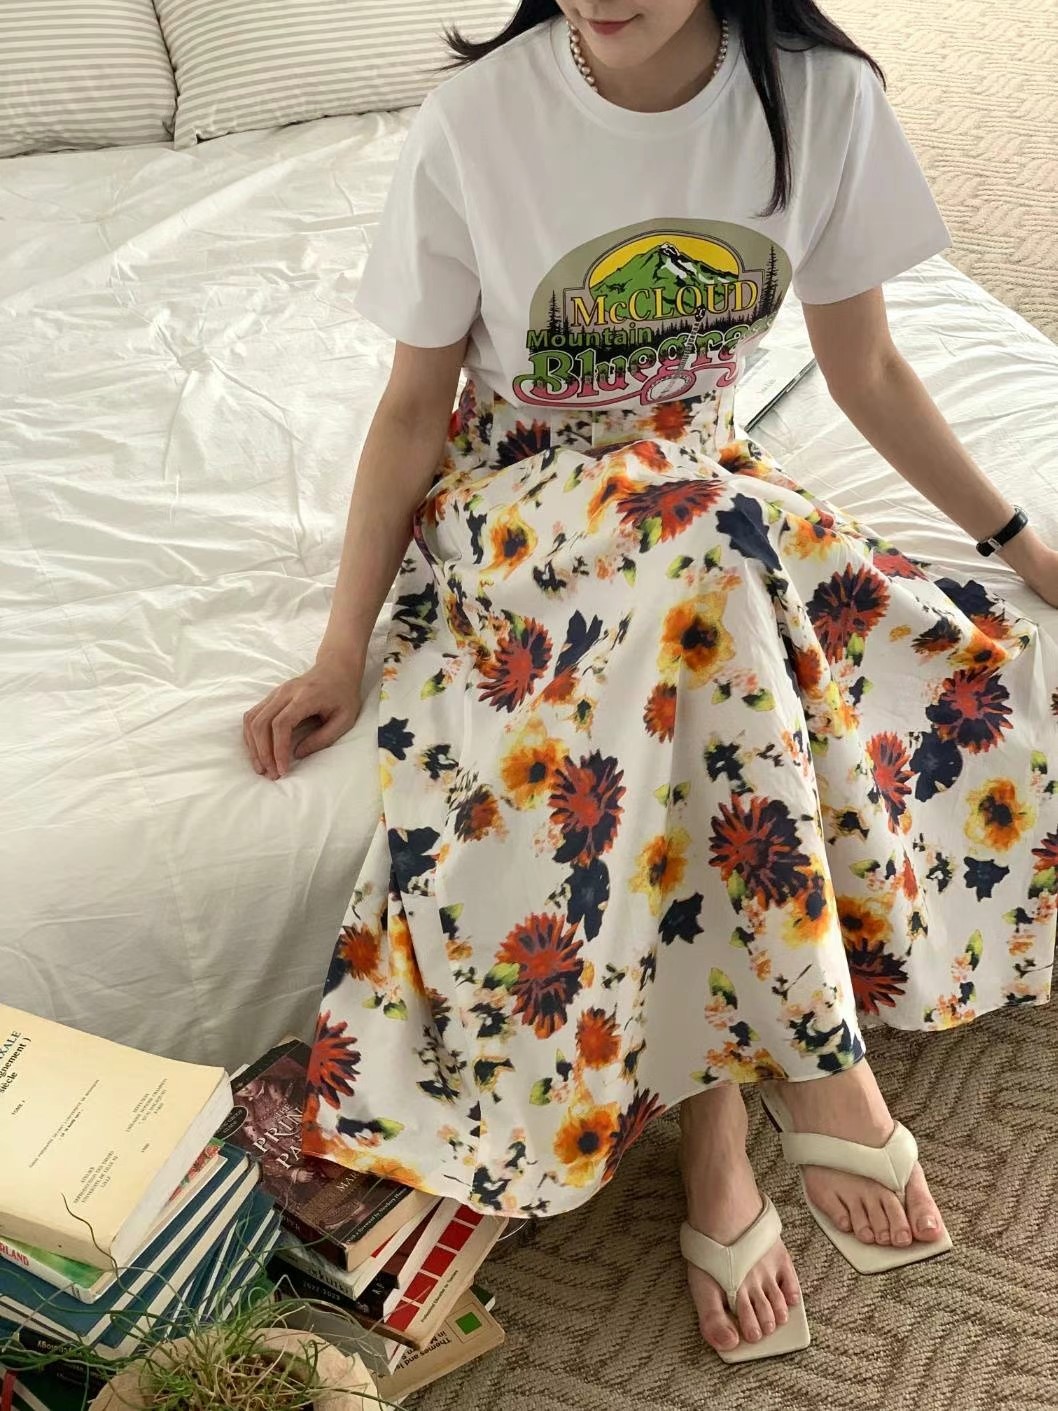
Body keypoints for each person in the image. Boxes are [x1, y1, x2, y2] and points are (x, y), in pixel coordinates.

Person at [242, 0, 1058, 1363]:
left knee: (737, 617)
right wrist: (342, 648)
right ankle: (818, 1067)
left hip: (700, 486)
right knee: (715, 569)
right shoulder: (479, 120)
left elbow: (864, 366)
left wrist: (1019, 543)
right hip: (519, 506)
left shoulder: (818, 100)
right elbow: (413, 406)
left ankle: (723, 1136)